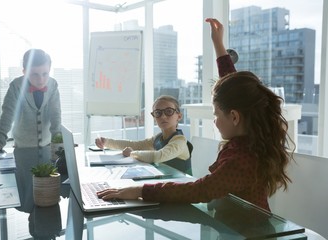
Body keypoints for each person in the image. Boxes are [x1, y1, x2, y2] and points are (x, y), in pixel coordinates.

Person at [97, 18, 294, 212]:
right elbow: (234, 89)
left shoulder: (240, 159)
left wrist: (139, 191)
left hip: (246, 229)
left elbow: (198, 190)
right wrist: (218, 45)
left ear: (234, 117)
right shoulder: (249, 139)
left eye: (216, 114)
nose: (214, 121)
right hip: (232, 220)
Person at [0, 49, 62, 153]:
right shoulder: (16, 86)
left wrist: (59, 142)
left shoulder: (53, 85)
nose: (41, 80)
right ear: (25, 72)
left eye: (45, 74)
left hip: (48, 145)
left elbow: (55, 114)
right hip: (23, 147)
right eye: (35, 74)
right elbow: (8, 115)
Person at [95, 95, 192, 174]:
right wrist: (106, 142)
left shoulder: (180, 141)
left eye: (169, 111)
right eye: (158, 113)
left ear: (179, 116)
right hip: (166, 182)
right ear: (154, 117)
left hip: (183, 186)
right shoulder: (158, 138)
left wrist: (132, 154)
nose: (163, 116)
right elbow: (135, 145)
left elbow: (159, 156)